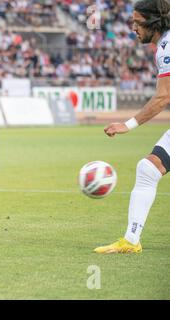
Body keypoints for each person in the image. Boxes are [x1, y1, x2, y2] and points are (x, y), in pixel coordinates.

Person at [95, 0, 170, 254]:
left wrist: (128, 124)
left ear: (153, 21)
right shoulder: (163, 44)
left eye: (138, 22)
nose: (133, 28)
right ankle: (131, 241)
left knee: (147, 169)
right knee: (148, 169)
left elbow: (163, 96)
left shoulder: (167, 45)